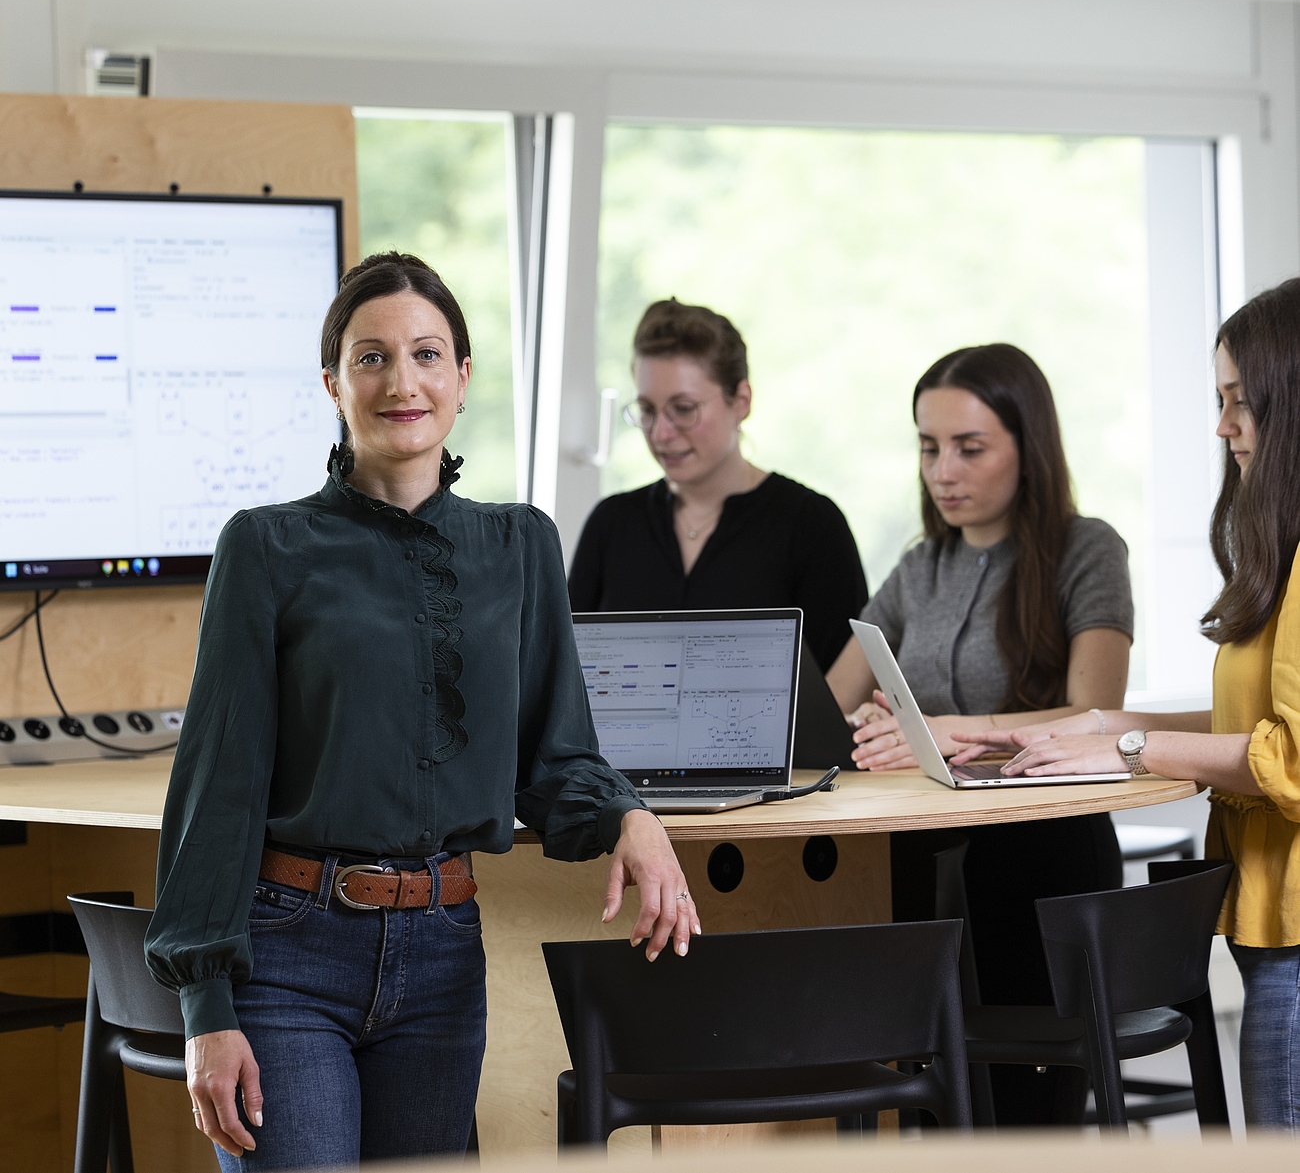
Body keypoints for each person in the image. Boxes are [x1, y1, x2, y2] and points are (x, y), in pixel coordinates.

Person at [144, 253, 698, 1170]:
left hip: (444, 954)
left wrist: (628, 814)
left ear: (463, 377)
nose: (403, 381)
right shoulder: (266, 546)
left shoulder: (520, 544)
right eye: (372, 358)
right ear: (333, 383)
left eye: (427, 354)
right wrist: (206, 1007)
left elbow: (554, 752)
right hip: (288, 954)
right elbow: (217, 785)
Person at [953, 279, 1300, 1130]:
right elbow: (1248, 729)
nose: (1222, 427)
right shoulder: (1282, 553)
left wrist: (1132, 748)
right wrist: (1100, 727)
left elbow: (1289, 758)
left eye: (1240, 404)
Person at [825, 342, 1134, 1125]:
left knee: (1031, 1117)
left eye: (969, 448)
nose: (943, 471)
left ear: (1027, 448)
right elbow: (828, 707)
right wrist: (864, 722)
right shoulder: (919, 565)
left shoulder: (1086, 548)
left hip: (1044, 862)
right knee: (933, 1108)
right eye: (929, 448)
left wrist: (951, 730)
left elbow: (1092, 716)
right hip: (922, 866)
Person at [568, 298, 867, 674]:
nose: (660, 433)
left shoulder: (812, 526)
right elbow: (563, 676)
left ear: (741, 401)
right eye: (647, 410)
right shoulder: (612, 523)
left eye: (684, 408)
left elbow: (836, 705)